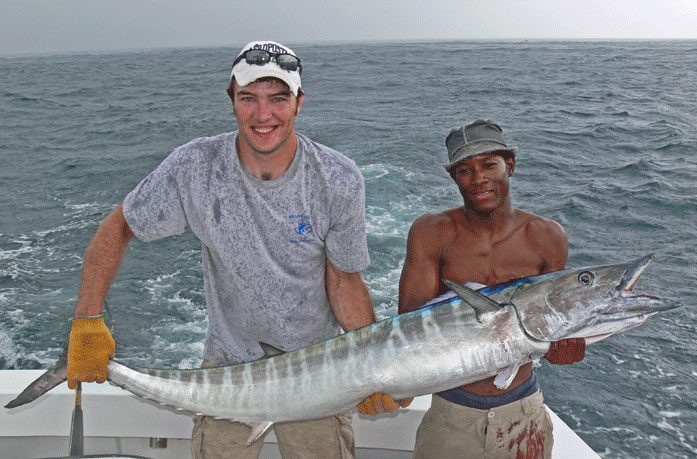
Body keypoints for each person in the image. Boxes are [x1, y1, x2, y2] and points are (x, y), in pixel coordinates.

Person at [66, 40, 405, 459]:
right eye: (249, 98)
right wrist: (87, 320)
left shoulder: (338, 178)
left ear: (300, 102)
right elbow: (119, 226)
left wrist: (369, 368)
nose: (263, 115)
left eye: (278, 98)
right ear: (232, 102)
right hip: (229, 370)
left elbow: (344, 280)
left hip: (318, 369)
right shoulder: (195, 167)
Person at [398, 119, 586, 458]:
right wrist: (395, 384)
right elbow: (410, 328)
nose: (478, 178)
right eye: (465, 170)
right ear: (454, 178)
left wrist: (566, 346)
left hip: (524, 413)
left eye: (488, 165)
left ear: (509, 166)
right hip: (451, 415)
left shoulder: (547, 236)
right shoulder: (432, 232)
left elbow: (556, 325)